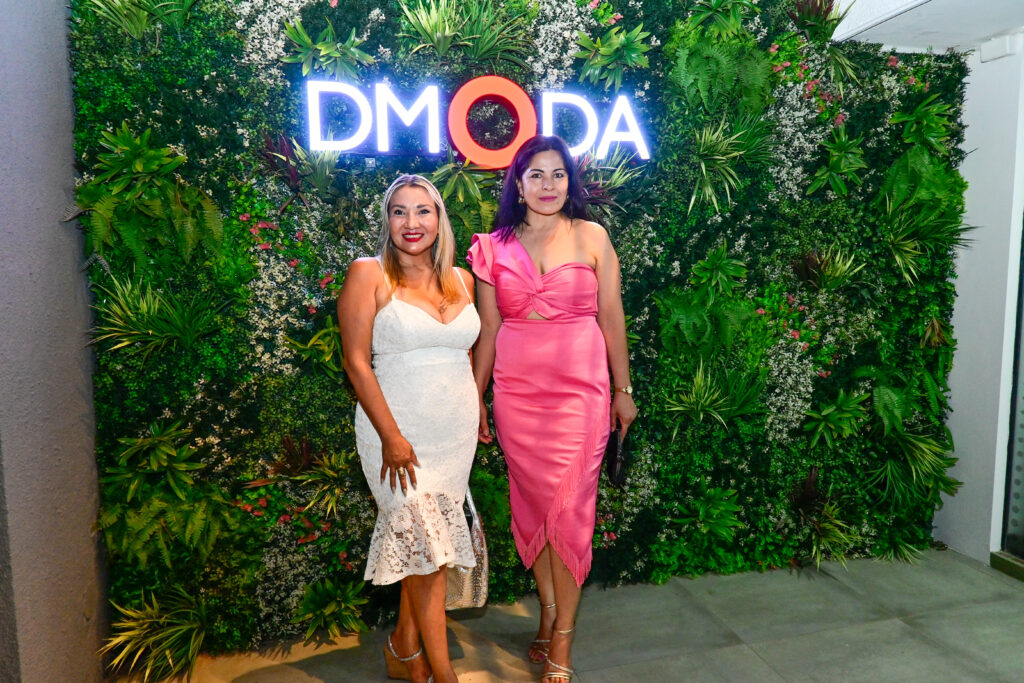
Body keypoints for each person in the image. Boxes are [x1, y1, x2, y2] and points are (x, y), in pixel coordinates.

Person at [468, 135, 638, 682]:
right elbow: (488, 328)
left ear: (570, 182)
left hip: (580, 394)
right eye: (536, 175)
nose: (548, 185)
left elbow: (611, 316)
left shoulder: (592, 236)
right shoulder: (492, 247)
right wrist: (476, 397)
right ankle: (547, 610)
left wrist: (623, 388)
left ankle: (563, 637)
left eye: (558, 174)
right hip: (517, 396)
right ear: (518, 184)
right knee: (535, 508)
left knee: (569, 512)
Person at [339, 174, 480, 683]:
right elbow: (356, 363)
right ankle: (444, 676)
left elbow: (463, 355)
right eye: (399, 211)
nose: (411, 222)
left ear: (440, 219)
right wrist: (392, 438)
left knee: (426, 549)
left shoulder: (462, 280)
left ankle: (402, 649)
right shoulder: (368, 273)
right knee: (428, 553)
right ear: (387, 220)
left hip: (453, 436)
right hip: (395, 435)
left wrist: (477, 405)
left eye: (423, 210)